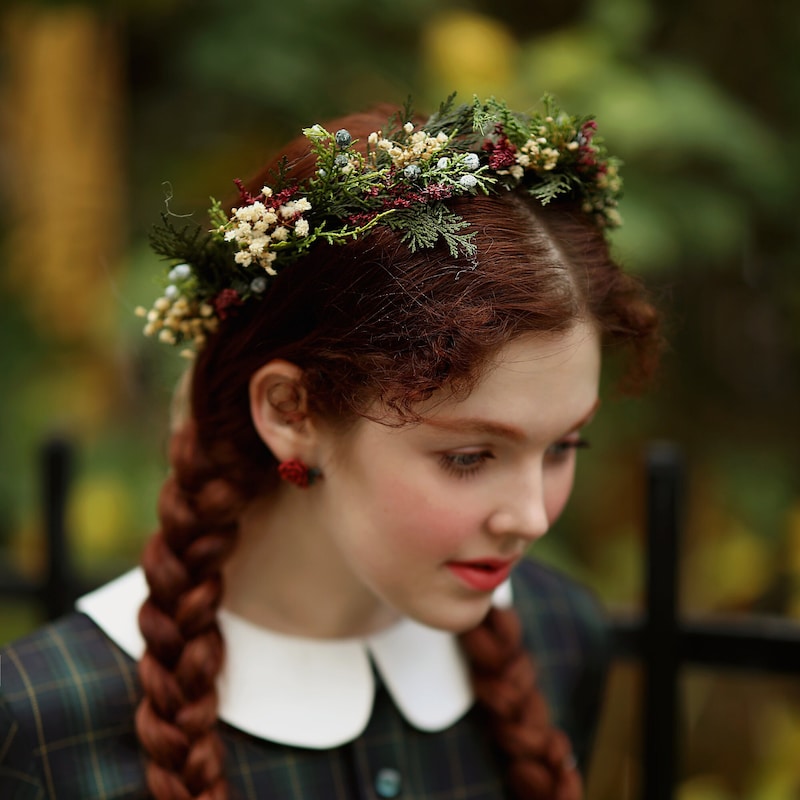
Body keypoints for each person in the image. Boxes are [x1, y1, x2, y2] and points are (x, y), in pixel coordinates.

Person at [0, 95, 659, 799]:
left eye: (564, 448)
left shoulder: (559, 635)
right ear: (292, 411)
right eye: (468, 457)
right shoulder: (42, 723)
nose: (530, 518)